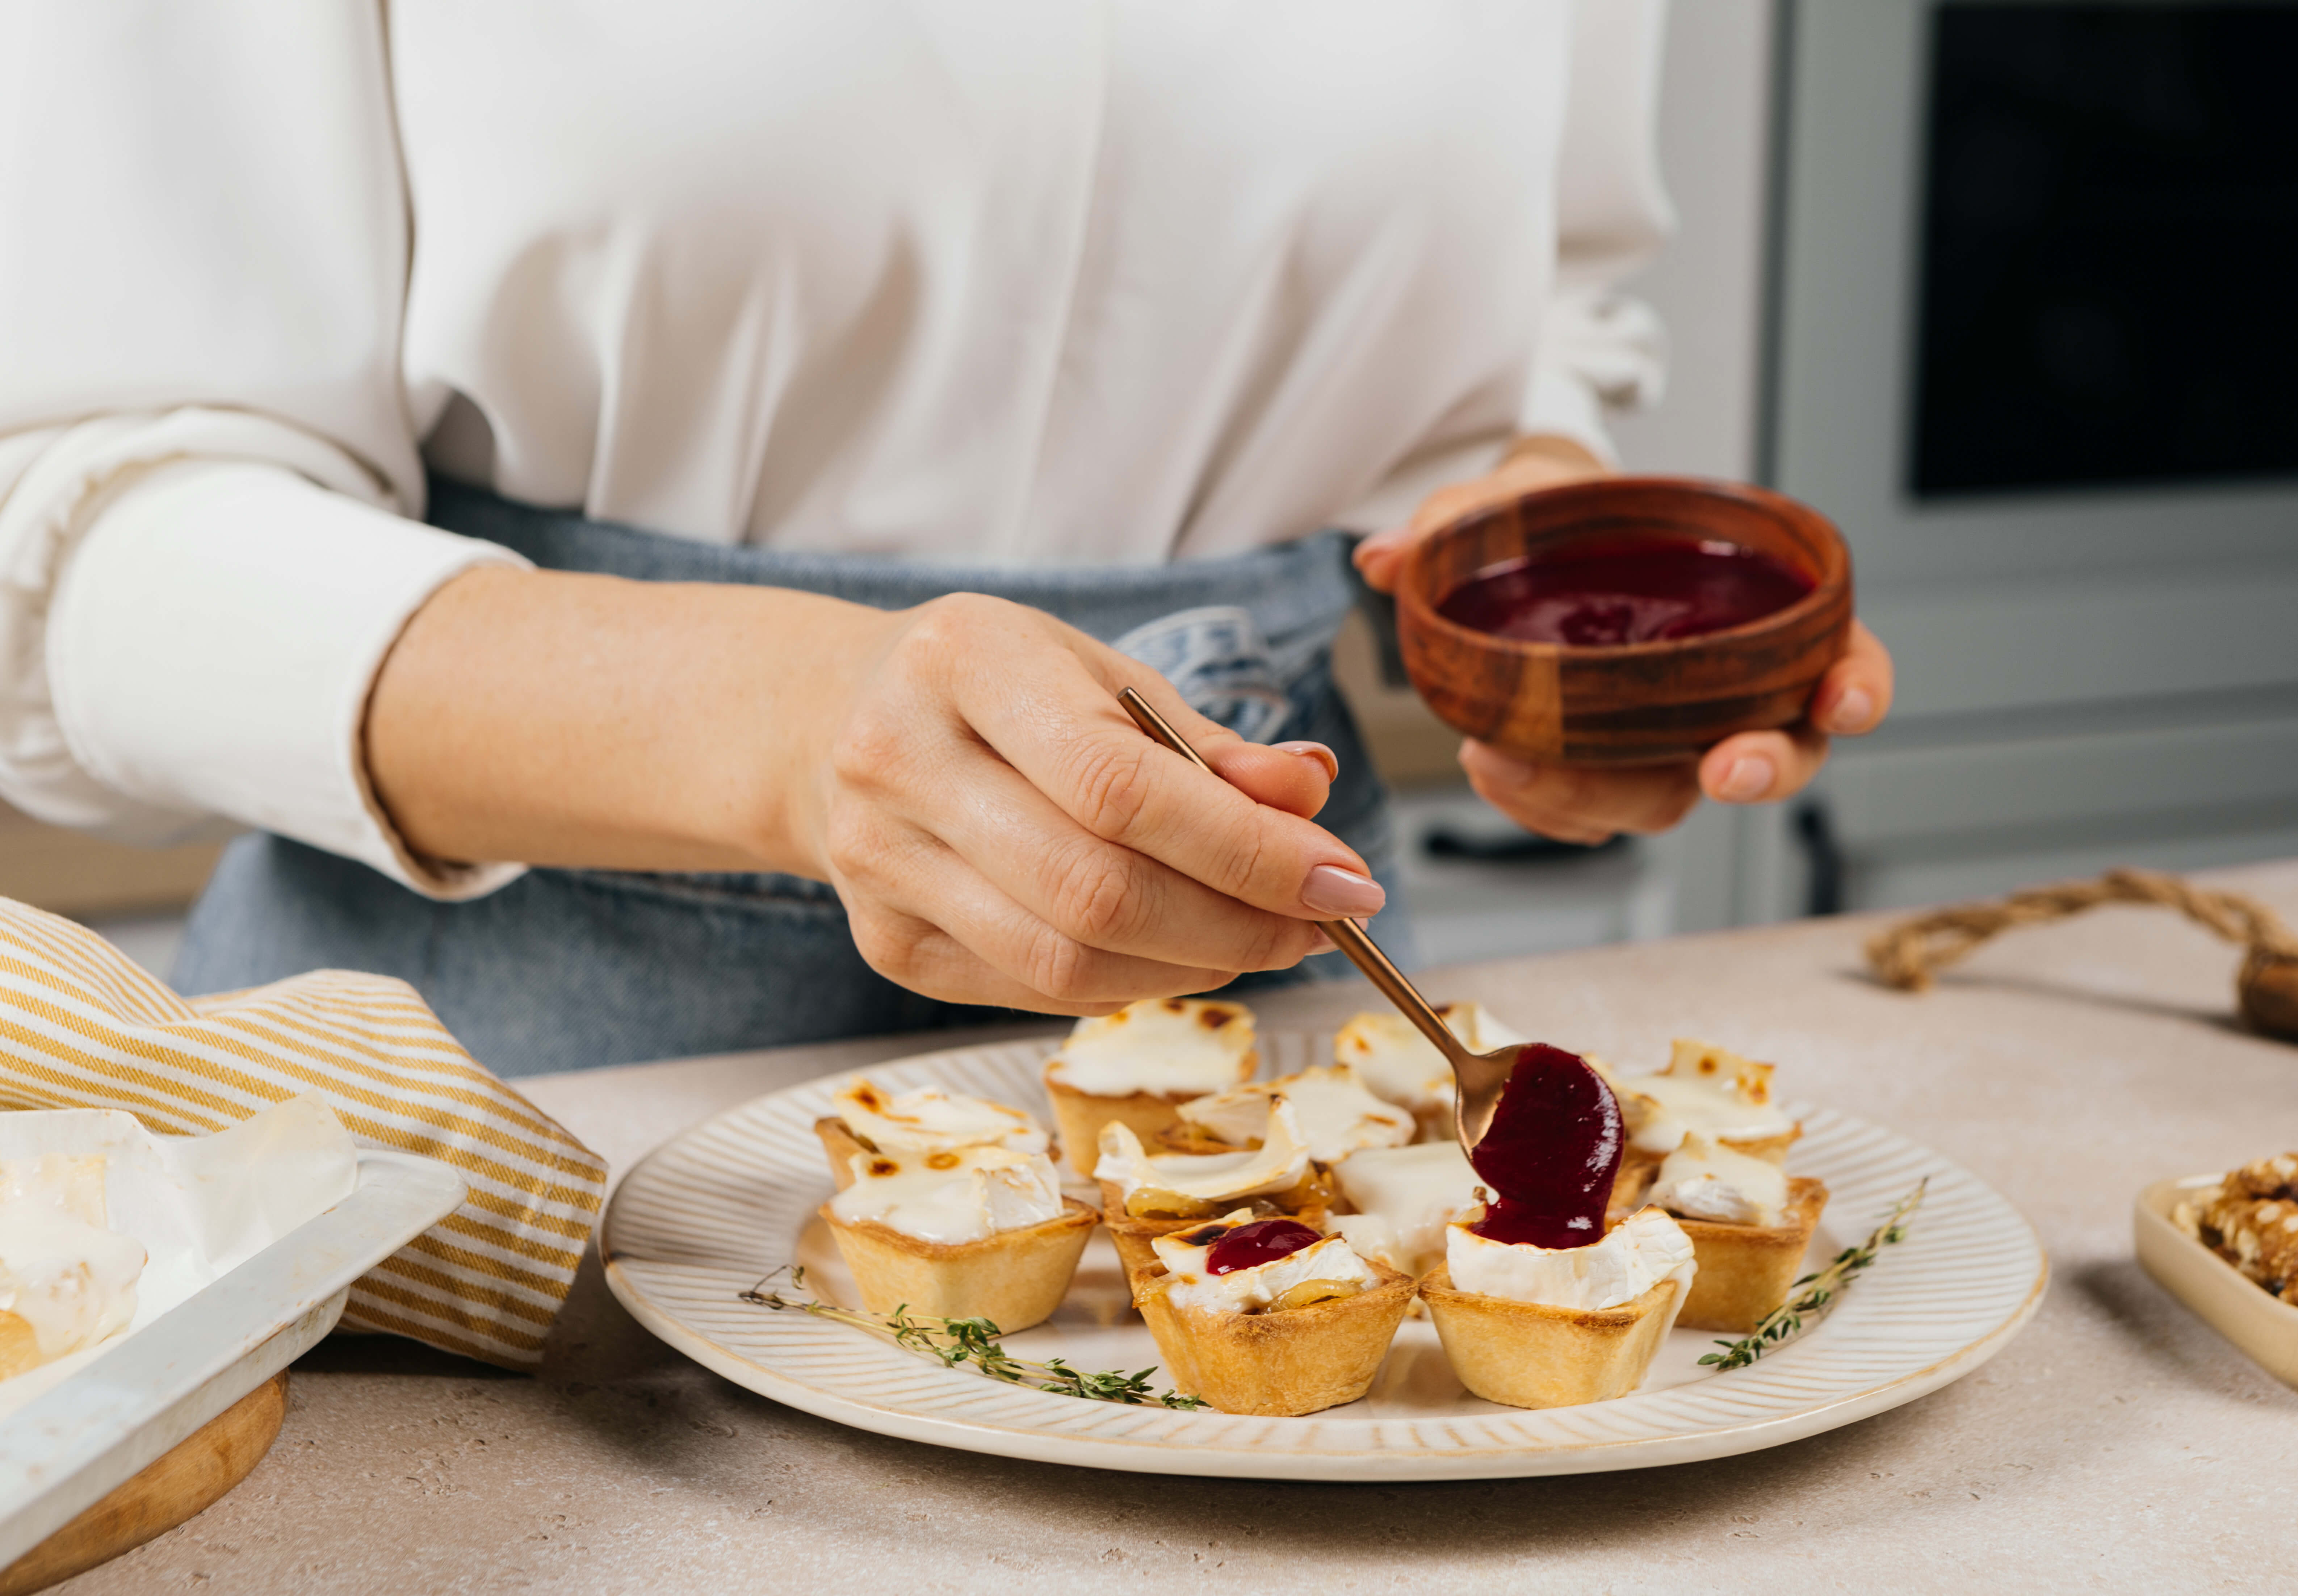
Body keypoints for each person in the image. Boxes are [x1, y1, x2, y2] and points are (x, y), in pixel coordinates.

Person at [0, 3, 1890, 1076]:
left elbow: (1533, 301)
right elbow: (68, 538)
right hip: (493, 1099)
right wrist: (782, 727)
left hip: (1272, 1036)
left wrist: (1540, 598)